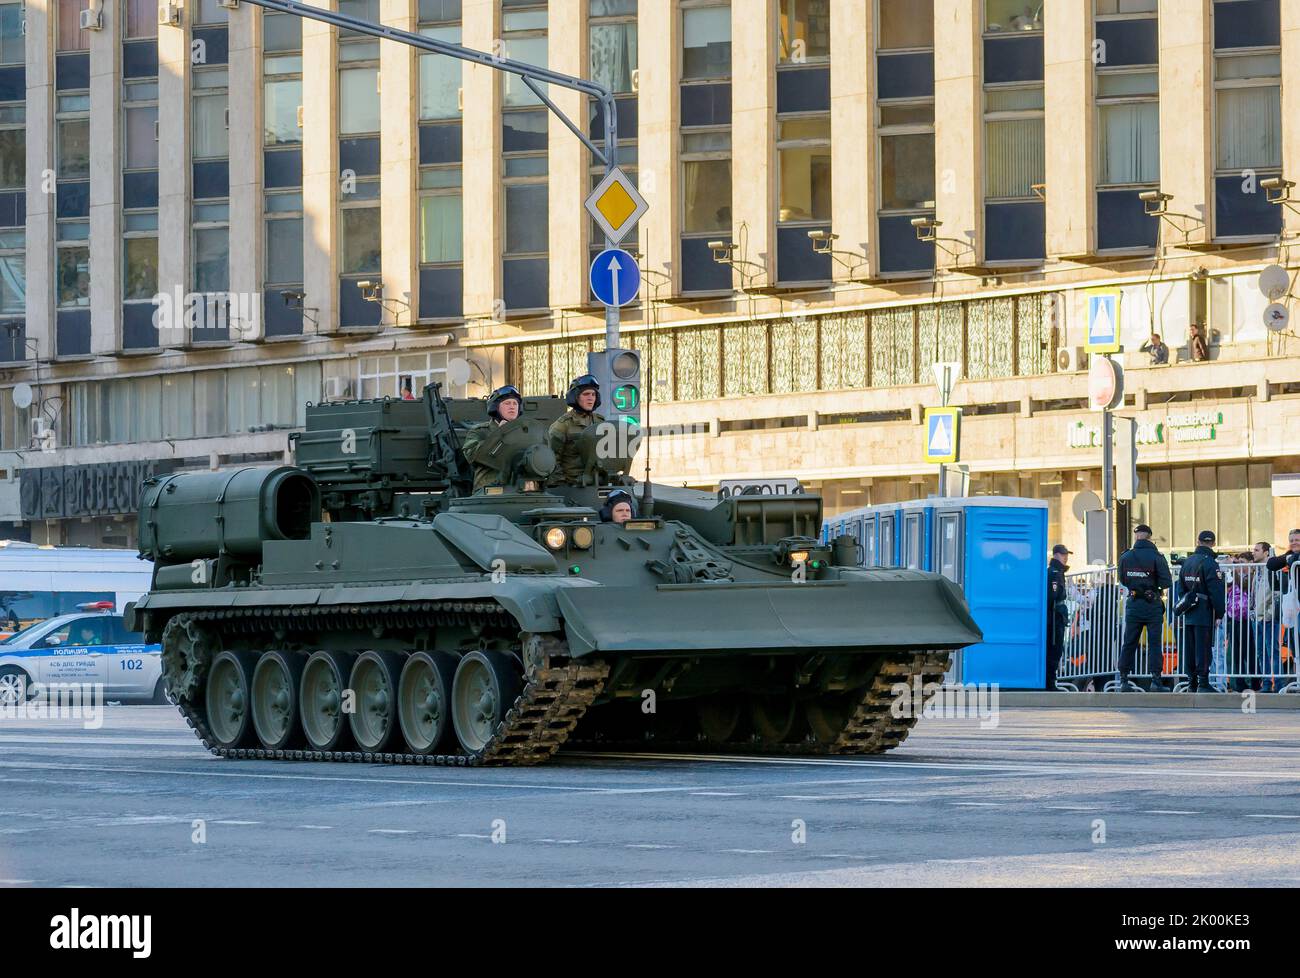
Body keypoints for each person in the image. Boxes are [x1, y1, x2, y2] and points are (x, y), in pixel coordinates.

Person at [1116, 524, 1173, 691]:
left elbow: (1123, 579)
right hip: (1152, 604)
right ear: (1149, 537)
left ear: (1136, 536)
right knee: (1154, 644)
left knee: (1129, 642)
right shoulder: (1157, 556)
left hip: (1133, 604)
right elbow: (1166, 582)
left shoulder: (1126, 557)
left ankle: (1124, 680)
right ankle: (1156, 681)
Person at [1178, 529, 1226, 693]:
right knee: (1203, 648)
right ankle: (1203, 683)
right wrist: (1220, 613)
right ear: (1213, 543)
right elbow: (1216, 592)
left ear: (1197, 541)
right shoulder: (1211, 563)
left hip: (1189, 611)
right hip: (1205, 612)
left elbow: (1180, 589)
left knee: (1190, 648)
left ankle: (1191, 682)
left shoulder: (1187, 562)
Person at [460, 385, 524, 492]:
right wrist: (499, 435)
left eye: (515, 403)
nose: (512, 407)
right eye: (507, 403)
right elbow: (472, 456)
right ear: (496, 407)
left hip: (520, 489)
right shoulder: (480, 431)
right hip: (489, 492)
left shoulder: (526, 432)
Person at [548, 374, 604, 486]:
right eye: (586, 394)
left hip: (598, 482)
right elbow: (551, 459)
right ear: (575, 397)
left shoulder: (600, 422)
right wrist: (562, 483)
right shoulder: (563, 425)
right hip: (572, 485)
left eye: (593, 394)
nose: (590, 398)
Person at [1266, 529, 1300, 689]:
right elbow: (1271, 564)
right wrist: (1288, 558)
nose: (1294, 542)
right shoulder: (1289, 555)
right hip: (1293, 608)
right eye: (1291, 540)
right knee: (1295, 646)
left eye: (1297, 539)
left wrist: (1293, 559)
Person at [1045, 544, 1071, 690]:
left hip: (1056, 617)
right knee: (1054, 650)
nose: (1066, 557)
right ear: (1055, 555)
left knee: (1056, 650)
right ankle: (1049, 683)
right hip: (1054, 619)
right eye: (1063, 554)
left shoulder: (1058, 571)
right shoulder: (1054, 572)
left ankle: (1050, 681)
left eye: (1066, 554)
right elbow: (1053, 596)